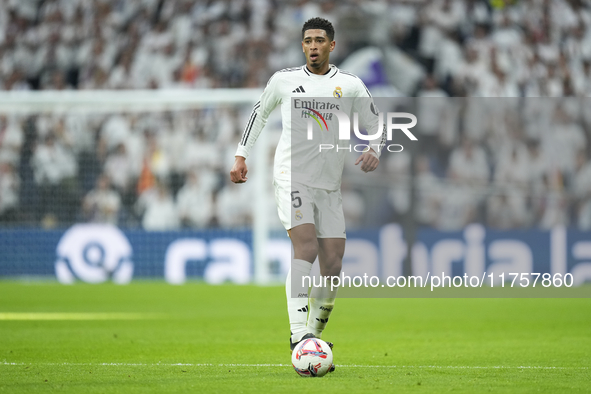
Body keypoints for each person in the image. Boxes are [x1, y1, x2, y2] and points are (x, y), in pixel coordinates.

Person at [230, 17, 384, 366]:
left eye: (319, 40)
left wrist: (374, 148)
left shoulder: (350, 85)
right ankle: (298, 332)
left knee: (333, 263)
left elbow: (376, 123)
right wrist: (241, 155)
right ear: (302, 46)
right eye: (308, 40)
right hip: (291, 177)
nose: (313, 46)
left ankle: (314, 332)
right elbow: (259, 113)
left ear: (332, 45)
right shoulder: (284, 81)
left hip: (329, 186)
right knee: (306, 247)